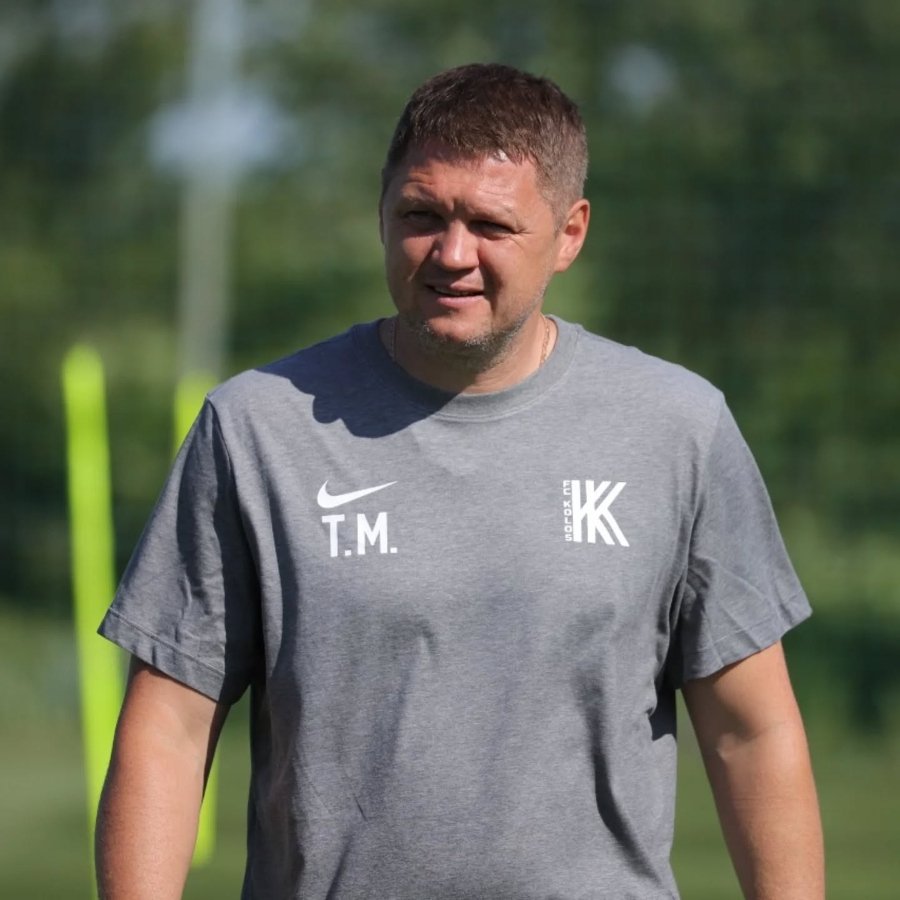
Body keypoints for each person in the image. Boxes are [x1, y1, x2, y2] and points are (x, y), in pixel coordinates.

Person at [95, 63, 824, 899]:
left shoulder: (678, 428)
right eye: (422, 215)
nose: (451, 254)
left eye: (491, 224)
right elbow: (169, 729)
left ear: (571, 233)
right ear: (381, 210)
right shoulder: (256, 428)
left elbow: (750, 733)